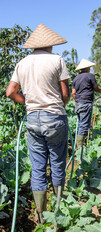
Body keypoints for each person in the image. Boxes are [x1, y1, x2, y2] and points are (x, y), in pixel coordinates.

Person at [6, 23, 70, 224]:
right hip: (55, 117)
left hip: (33, 118)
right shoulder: (57, 60)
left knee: (38, 166)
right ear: (51, 44)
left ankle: (40, 215)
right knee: (58, 163)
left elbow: (10, 92)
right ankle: (58, 210)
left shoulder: (22, 63)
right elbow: (65, 94)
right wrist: (58, 105)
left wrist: (29, 102)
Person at [72, 59, 101, 148]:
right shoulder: (90, 76)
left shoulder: (76, 78)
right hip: (86, 103)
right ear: (86, 68)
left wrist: (78, 100)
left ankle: (81, 145)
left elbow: (73, 92)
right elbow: (96, 89)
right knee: (84, 125)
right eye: (89, 67)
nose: (90, 68)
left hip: (78, 104)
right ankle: (79, 148)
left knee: (80, 124)